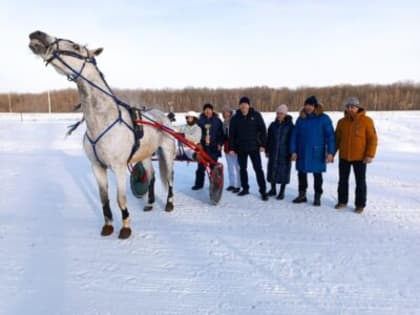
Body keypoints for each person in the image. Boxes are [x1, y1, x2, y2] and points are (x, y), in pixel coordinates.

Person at [334, 97, 378, 213]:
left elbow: (372, 139)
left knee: (360, 181)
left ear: (357, 108)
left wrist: (369, 154)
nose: (350, 109)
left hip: (360, 157)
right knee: (342, 180)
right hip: (344, 157)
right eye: (348, 107)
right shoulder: (341, 122)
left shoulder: (367, 121)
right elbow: (337, 139)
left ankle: (360, 205)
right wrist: (331, 154)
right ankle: (342, 201)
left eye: (352, 107)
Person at [290, 95, 335, 206]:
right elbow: (294, 135)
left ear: (315, 106)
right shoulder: (301, 118)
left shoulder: (324, 118)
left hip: (317, 151)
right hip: (302, 151)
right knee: (301, 173)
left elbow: (330, 136)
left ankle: (317, 196)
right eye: (306, 105)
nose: (308, 107)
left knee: (317, 174)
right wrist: (293, 150)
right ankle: (302, 195)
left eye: (310, 105)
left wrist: (330, 152)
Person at [229, 96, 268, 201]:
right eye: (241, 105)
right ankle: (245, 188)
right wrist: (232, 148)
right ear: (239, 106)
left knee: (258, 169)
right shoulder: (235, 118)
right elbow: (231, 134)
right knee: (242, 169)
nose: (243, 107)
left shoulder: (256, 115)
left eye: (245, 104)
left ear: (248, 105)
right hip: (241, 148)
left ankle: (263, 191)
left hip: (254, 147)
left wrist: (263, 145)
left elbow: (263, 130)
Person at [191, 103, 224, 190]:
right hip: (203, 148)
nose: (208, 111)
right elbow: (195, 133)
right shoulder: (199, 121)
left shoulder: (217, 121)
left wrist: (220, 144)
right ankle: (199, 184)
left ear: (212, 111)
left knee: (213, 168)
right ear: (204, 111)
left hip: (214, 148)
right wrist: (200, 141)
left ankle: (214, 185)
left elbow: (221, 134)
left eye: (209, 109)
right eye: (206, 109)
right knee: (200, 168)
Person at [266, 104, 294, 200]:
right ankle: (273, 189)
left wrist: (292, 152)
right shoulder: (273, 125)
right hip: (273, 151)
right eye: (278, 113)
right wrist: (267, 150)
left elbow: (292, 140)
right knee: (272, 169)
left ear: (285, 114)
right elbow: (268, 138)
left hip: (285, 152)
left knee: (284, 171)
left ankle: (282, 191)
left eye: (281, 113)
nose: (279, 115)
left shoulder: (290, 126)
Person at [222, 106, 240, 193]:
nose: (226, 113)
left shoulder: (235, 121)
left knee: (237, 166)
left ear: (230, 113)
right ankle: (232, 184)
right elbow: (223, 135)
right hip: (226, 147)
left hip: (235, 147)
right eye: (224, 112)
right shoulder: (224, 122)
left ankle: (238, 185)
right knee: (230, 167)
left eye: (227, 112)